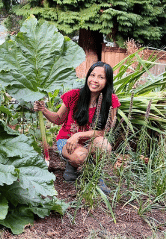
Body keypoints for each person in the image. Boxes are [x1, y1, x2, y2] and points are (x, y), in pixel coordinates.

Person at [33, 61, 120, 193]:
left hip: (91, 141)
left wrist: (78, 135)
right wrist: (43, 110)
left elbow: (104, 131)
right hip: (66, 141)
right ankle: (72, 168)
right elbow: (58, 119)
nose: (94, 80)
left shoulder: (111, 101)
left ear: (107, 81)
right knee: (80, 156)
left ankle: (96, 176)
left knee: (104, 146)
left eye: (101, 77)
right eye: (92, 75)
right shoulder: (73, 95)